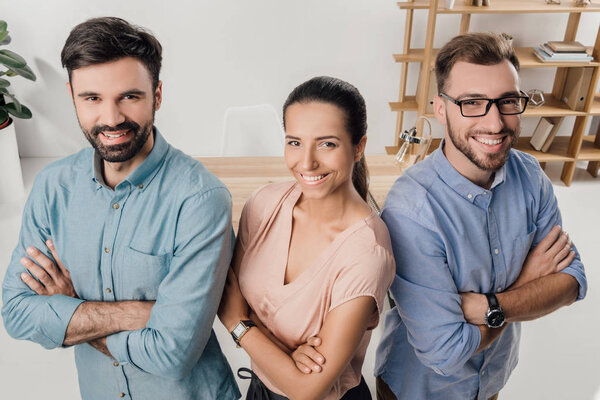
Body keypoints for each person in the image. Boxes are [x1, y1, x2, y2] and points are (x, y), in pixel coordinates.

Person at [1, 17, 240, 400]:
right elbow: (16, 312)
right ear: (72, 96)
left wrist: (71, 311)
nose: (111, 119)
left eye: (129, 96)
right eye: (92, 98)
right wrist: (141, 314)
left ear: (157, 96)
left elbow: (172, 352)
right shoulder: (53, 187)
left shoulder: (200, 200)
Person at [374, 32, 587, 400]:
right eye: (472, 102)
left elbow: (571, 282)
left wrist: (491, 306)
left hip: (492, 380)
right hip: (420, 390)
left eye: (507, 101)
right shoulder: (411, 211)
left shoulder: (530, 175)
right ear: (441, 109)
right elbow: (446, 352)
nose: (494, 123)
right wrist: (523, 290)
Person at [218, 76, 395, 400]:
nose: (307, 161)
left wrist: (239, 325)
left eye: (327, 143)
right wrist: (285, 358)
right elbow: (233, 295)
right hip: (260, 390)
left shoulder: (367, 253)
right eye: (295, 142)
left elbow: (306, 388)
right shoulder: (262, 205)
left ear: (359, 147)